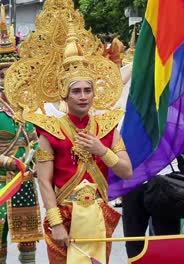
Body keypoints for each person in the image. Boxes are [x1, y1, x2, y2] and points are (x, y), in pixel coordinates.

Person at [7, 16, 132, 262]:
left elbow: (127, 171)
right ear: (65, 94)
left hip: (98, 216)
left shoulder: (107, 128)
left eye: (88, 90)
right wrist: (56, 224)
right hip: (63, 217)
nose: (83, 96)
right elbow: (44, 181)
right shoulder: (51, 131)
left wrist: (101, 150)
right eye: (76, 91)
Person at [0, 8, 42, 263]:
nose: (6, 80)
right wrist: (8, 162)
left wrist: (36, 157)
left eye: (10, 75)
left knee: (28, 241)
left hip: (24, 181)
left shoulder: (27, 107)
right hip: (2, 183)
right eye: (1, 75)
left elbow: (36, 139)